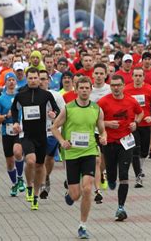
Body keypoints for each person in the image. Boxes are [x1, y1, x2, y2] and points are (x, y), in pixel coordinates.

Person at [52, 76, 107, 239]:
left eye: (86, 88)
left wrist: (103, 137)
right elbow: (54, 127)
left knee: (88, 188)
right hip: (72, 155)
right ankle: (70, 195)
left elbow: (102, 130)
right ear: (76, 89)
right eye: (81, 88)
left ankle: (82, 225)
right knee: (76, 195)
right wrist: (62, 141)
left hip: (89, 151)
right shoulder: (68, 109)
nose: (84, 90)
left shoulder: (97, 109)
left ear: (91, 90)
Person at [11, 67, 61, 210]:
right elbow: (14, 109)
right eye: (30, 78)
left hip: (42, 136)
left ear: (39, 79)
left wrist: (53, 114)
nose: (33, 80)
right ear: (27, 79)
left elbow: (56, 109)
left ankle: (36, 195)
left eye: (35, 78)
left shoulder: (46, 95)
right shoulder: (21, 95)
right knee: (30, 160)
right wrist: (15, 122)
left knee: (40, 166)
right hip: (27, 135)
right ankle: (29, 186)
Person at [97, 75, 143, 221]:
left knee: (124, 174)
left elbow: (140, 112)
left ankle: (120, 207)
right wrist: (107, 124)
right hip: (109, 143)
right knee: (111, 175)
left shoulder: (130, 100)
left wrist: (136, 123)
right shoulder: (103, 102)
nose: (116, 88)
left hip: (126, 142)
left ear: (123, 86)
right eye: (113, 85)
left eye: (118, 85)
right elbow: (94, 120)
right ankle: (110, 179)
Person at [124, 67, 151, 188]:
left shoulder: (150, 89)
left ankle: (139, 167)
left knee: (144, 152)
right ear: (132, 77)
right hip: (132, 125)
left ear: (144, 77)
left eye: (140, 76)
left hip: (145, 124)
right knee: (135, 151)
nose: (138, 78)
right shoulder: (127, 89)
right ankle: (138, 176)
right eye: (136, 75)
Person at [0, 72, 25, 196]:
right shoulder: (1, 99)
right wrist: (6, 116)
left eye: (13, 80)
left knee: (18, 152)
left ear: (16, 82)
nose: (11, 82)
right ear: (5, 82)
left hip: (19, 130)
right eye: (9, 80)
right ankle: (14, 183)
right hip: (6, 131)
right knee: (10, 162)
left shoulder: (21, 96)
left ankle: (20, 177)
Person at [38, 70, 66, 200]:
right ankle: (42, 183)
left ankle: (46, 177)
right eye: (40, 79)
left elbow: (63, 113)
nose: (41, 82)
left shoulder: (56, 95)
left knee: (48, 158)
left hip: (52, 132)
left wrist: (55, 118)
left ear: (48, 81)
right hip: (36, 132)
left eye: (44, 79)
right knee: (39, 159)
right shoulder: (32, 95)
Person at [89, 64, 111, 202]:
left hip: (107, 129)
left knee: (105, 158)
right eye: (96, 73)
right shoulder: (87, 90)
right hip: (92, 130)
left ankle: (102, 173)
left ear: (105, 75)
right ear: (92, 75)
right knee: (97, 159)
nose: (98, 76)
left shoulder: (109, 89)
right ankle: (97, 190)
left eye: (101, 73)